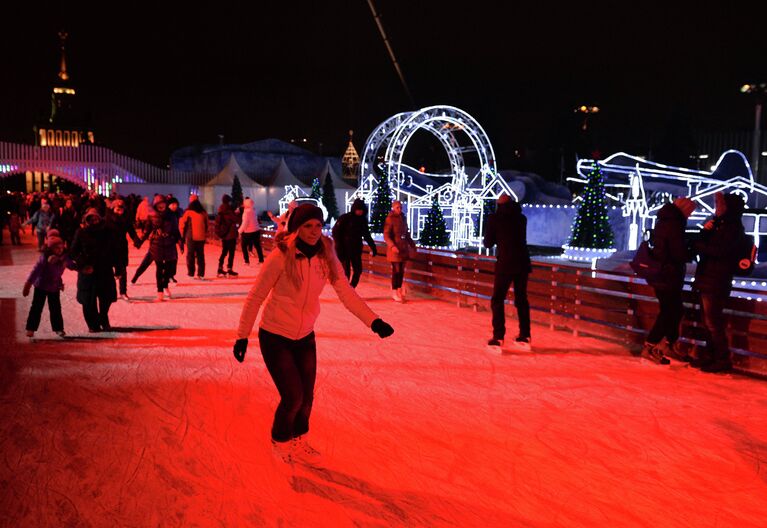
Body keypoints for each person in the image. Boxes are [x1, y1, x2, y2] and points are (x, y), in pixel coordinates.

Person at [232, 203, 394, 464]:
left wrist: (373, 322)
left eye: (318, 225)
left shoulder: (326, 255)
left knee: (307, 398)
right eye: (307, 225)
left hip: (305, 337)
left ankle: (300, 441)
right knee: (293, 396)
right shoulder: (281, 256)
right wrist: (242, 335)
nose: (314, 230)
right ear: (296, 228)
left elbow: (345, 291)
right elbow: (256, 296)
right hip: (275, 336)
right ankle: (280, 443)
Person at [691, 192, 748, 373]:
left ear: (728, 207)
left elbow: (721, 251)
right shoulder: (720, 224)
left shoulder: (732, 227)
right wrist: (705, 231)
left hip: (717, 280)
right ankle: (711, 356)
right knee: (708, 322)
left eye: (719, 204)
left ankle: (721, 359)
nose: (717, 207)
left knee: (713, 322)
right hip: (709, 278)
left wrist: (700, 245)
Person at [640, 197, 695, 365]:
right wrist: (691, 251)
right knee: (670, 311)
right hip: (668, 275)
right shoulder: (674, 224)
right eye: (690, 211)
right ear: (684, 210)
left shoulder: (665, 220)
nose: (690, 215)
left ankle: (669, 344)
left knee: (674, 310)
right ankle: (651, 345)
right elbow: (678, 252)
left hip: (663, 275)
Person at [483, 194, 532, 351]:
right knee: (521, 299)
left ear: (499, 204)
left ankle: (498, 336)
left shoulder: (495, 218)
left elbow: (488, 243)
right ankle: (525, 334)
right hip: (522, 263)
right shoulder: (521, 218)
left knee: (497, 300)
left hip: (505, 263)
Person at [70, 208, 119, 332]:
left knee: (106, 298)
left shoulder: (107, 232)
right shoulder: (81, 233)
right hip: (88, 271)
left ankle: (103, 318)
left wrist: (118, 266)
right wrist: (83, 263)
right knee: (88, 301)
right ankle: (93, 324)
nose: (94, 221)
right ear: (86, 220)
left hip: (105, 270)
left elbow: (115, 250)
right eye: (91, 219)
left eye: (96, 218)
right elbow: (73, 251)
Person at [23, 235, 74, 338]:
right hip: (41, 286)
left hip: (54, 286)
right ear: (51, 248)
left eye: (61, 247)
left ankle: (58, 328)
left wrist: (83, 268)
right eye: (57, 248)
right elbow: (35, 272)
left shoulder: (64, 257)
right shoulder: (44, 258)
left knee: (55, 308)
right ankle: (31, 328)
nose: (60, 250)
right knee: (37, 307)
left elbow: (72, 265)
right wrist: (27, 285)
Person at [136, 198, 182, 302]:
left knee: (169, 268)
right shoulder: (152, 216)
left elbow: (176, 230)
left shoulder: (172, 216)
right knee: (159, 268)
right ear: (155, 206)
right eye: (159, 205)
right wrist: (140, 241)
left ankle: (165, 285)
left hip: (169, 244)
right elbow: (147, 231)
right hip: (157, 244)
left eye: (163, 205)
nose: (161, 207)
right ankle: (160, 291)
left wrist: (180, 243)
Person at [332, 198, 378, 287]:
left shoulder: (362, 221)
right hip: (344, 249)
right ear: (354, 209)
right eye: (358, 210)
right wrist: (339, 246)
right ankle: (345, 290)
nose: (360, 212)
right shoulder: (345, 218)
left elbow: (366, 235)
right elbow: (336, 232)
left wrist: (373, 247)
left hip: (356, 250)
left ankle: (352, 288)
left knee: (358, 270)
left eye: (361, 210)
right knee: (346, 272)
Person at [105, 199, 141, 300]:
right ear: (113, 209)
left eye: (121, 210)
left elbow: (131, 231)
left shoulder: (125, 220)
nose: (120, 212)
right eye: (118, 209)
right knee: (108, 272)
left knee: (123, 271)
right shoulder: (107, 219)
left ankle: (123, 292)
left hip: (121, 247)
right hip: (109, 248)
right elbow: (101, 231)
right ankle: (110, 292)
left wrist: (136, 240)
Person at [383, 200, 415, 302]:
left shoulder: (403, 218)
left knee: (401, 271)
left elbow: (406, 233)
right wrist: (392, 246)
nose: (400, 209)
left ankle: (399, 289)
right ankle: (394, 290)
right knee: (396, 270)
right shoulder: (390, 219)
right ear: (393, 208)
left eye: (401, 207)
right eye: (397, 207)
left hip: (403, 248)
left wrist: (412, 244)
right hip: (395, 250)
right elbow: (386, 235)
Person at [179, 197, 209, 279]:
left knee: (190, 255)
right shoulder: (204, 213)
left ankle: (191, 273)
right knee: (200, 256)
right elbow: (207, 225)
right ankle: (201, 274)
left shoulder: (188, 212)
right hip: (201, 238)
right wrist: (204, 234)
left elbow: (182, 224)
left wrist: (182, 236)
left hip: (191, 237)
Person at [216, 194, 239, 278]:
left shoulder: (220, 210)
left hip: (224, 235)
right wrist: (237, 213)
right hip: (231, 235)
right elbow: (237, 220)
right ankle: (229, 269)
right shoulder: (229, 211)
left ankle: (220, 268)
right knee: (231, 253)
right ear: (228, 201)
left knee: (224, 252)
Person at [238, 197, 264, 265]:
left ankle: (246, 261)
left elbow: (245, 223)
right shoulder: (254, 210)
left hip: (248, 232)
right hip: (256, 230)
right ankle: (261, 260)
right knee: (257, 246)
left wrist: (239, 231)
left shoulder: (246, 212)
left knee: (244, 246)